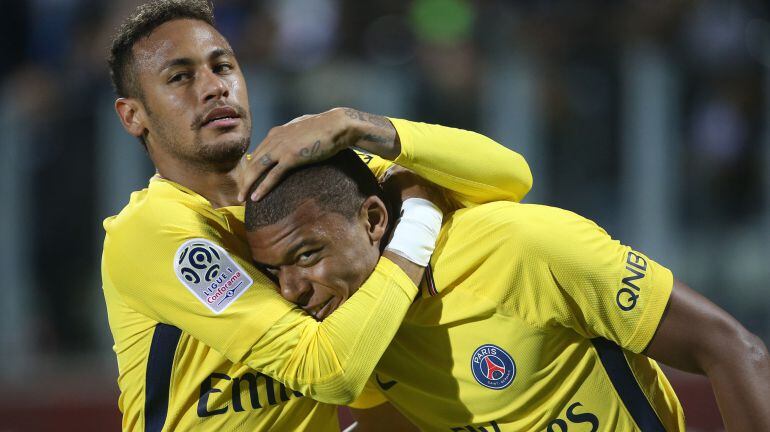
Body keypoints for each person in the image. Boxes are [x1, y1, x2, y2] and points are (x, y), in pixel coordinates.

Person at [101, 1, 534, 430]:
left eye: (223, 66)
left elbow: (510, 178)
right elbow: (327, 372)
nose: (214, 87)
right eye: (180, 77)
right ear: (133, 115)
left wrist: (358, 126)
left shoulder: (298, 186)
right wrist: (419, 216)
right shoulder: (153, 232)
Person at [245, 150, 770, 432]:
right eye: (274, 272)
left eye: (307, 256)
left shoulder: (524, 248)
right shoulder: (353, 333)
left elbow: (734, 351)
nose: (291, 290)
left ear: (374, 220)